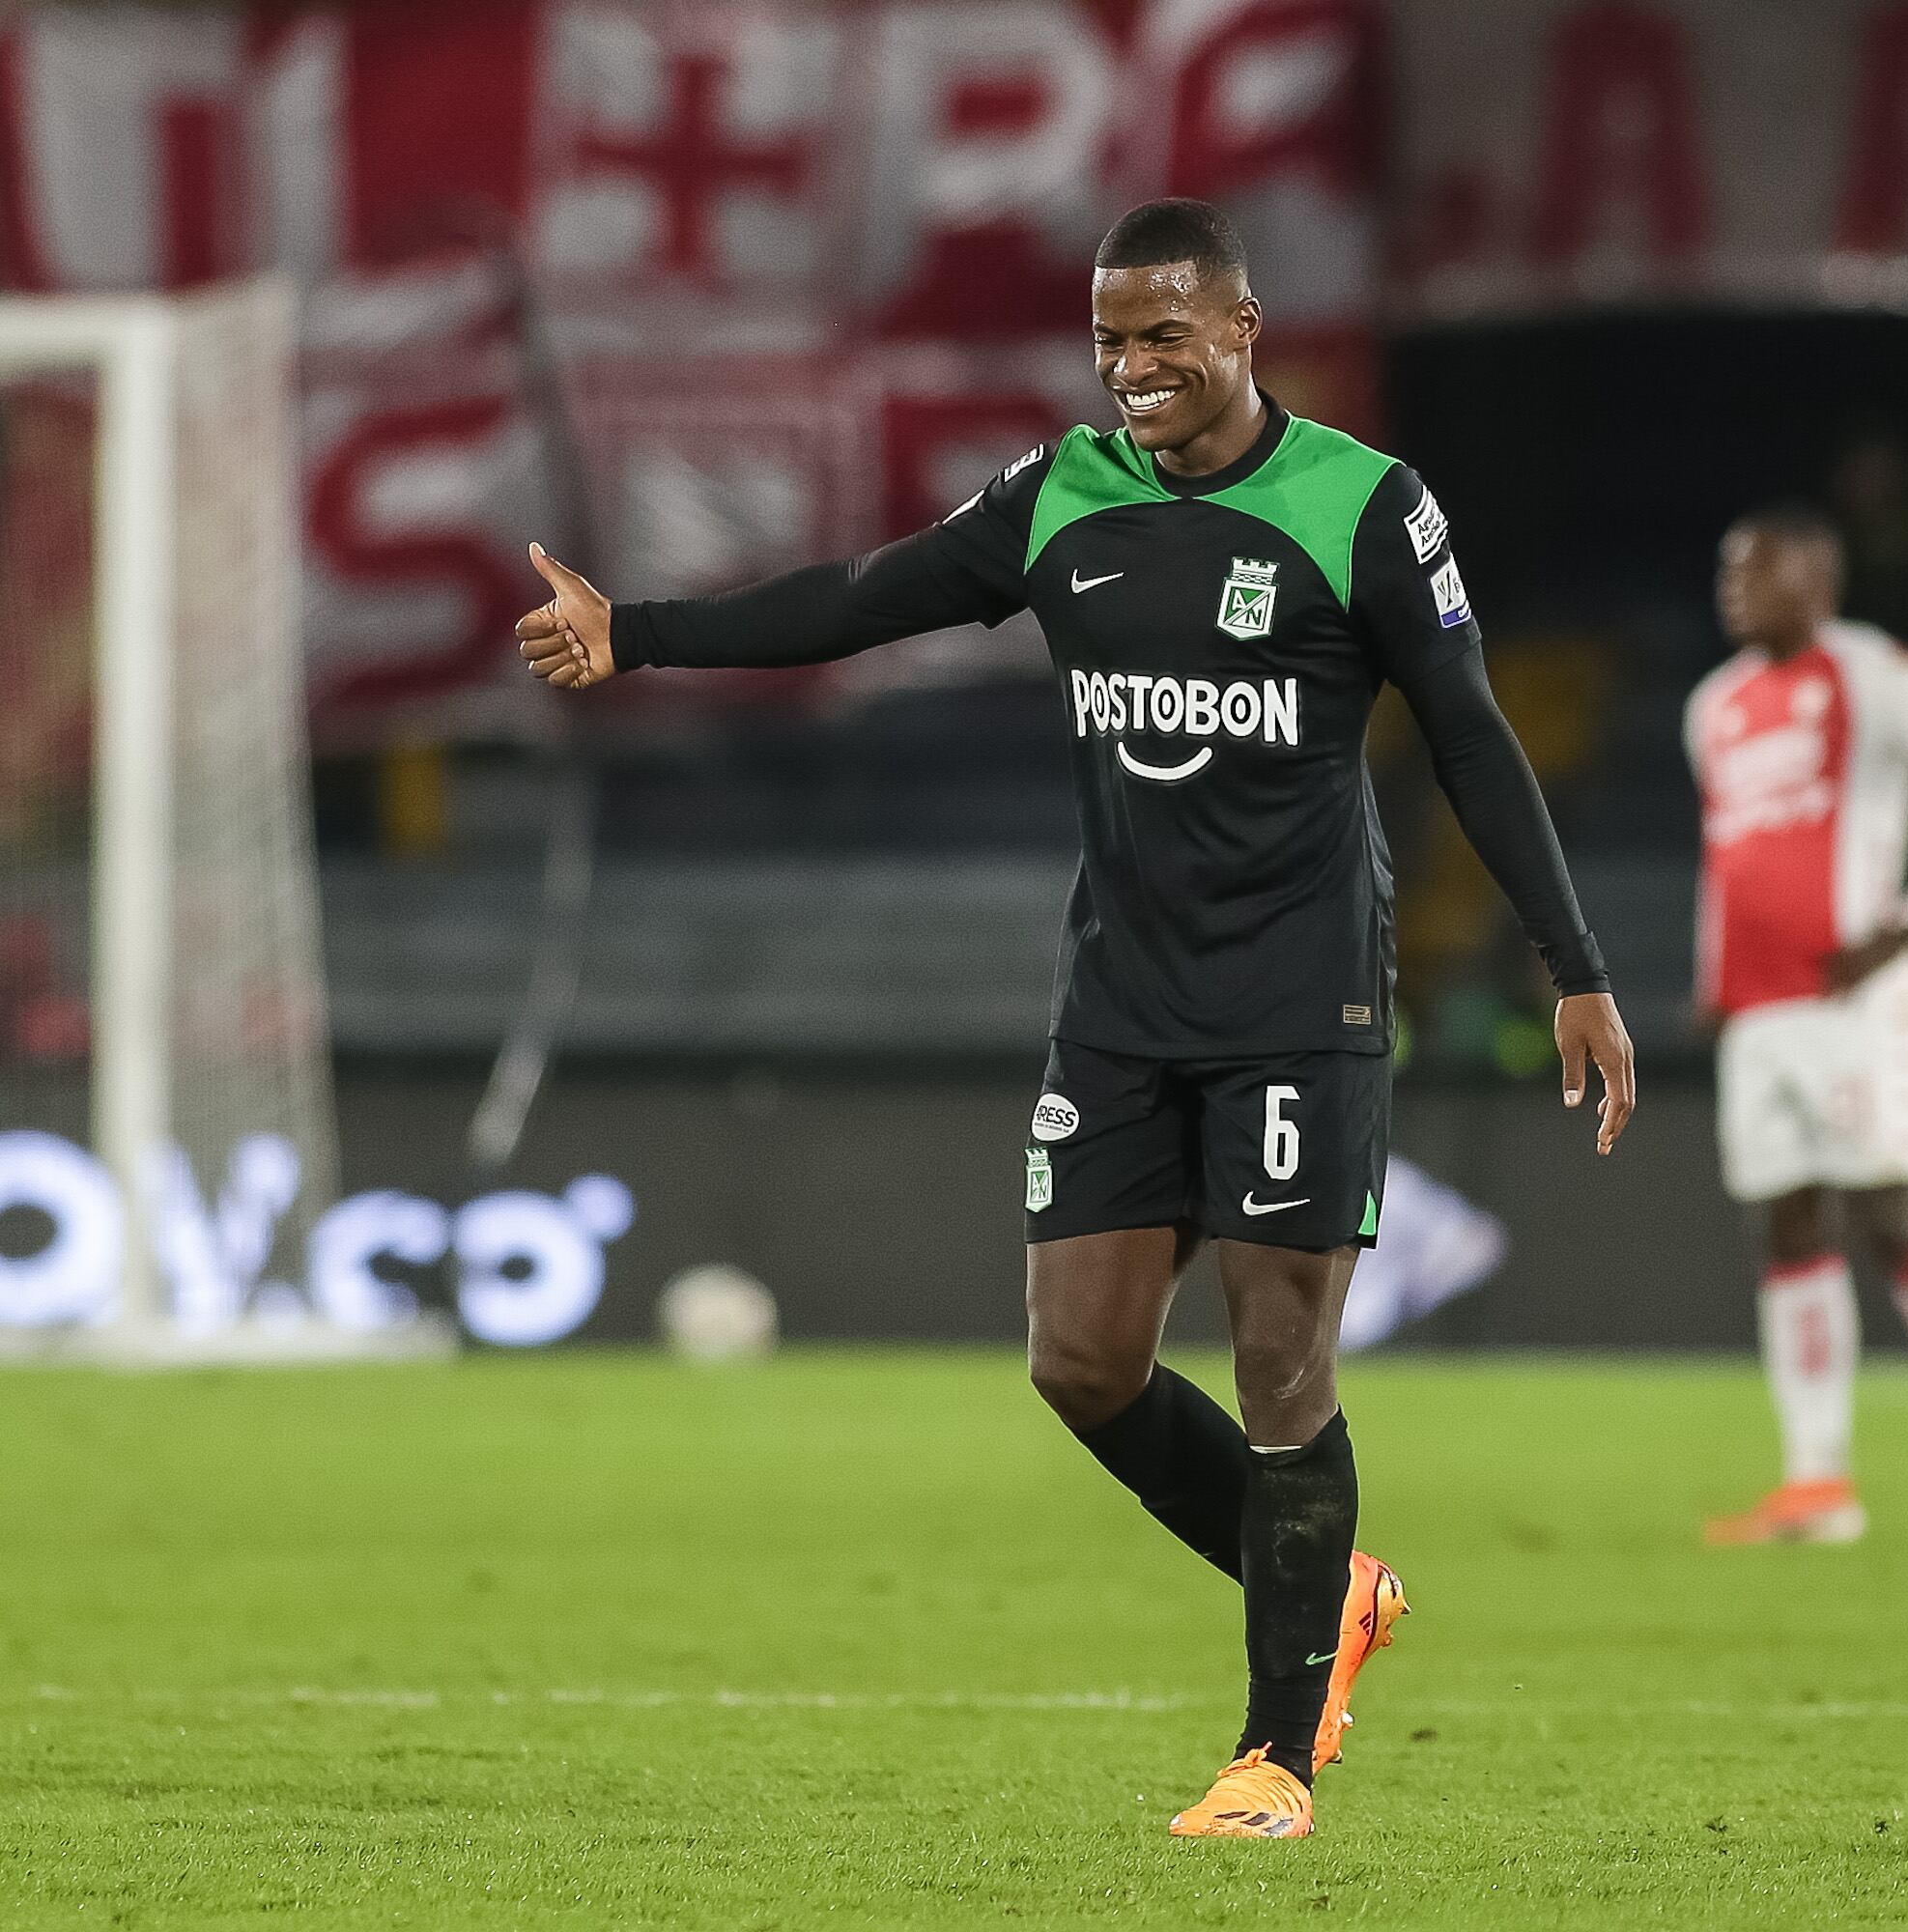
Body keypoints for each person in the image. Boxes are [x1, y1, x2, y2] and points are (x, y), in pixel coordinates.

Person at [516, 198, 1637, 1838]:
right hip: (1121, 997)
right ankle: (1336, 1589)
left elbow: (1467, 735)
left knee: (1279, 1361)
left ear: (1244, 333)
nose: (1134, 368)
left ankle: (1274, 1755)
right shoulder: (1065, 496)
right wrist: (639, 635)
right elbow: (863, 597)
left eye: (1165, 335)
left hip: (1298, 999)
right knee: (1082, 1361)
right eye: (1112, 339)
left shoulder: (1362, 509)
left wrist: (1575, 963)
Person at [1683, 504, 1908, 1548]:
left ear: (1816, 578)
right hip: (1758, 1010)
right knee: (1787, 1226)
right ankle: (1817, 1482)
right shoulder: (1713, 704)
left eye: (1754, 569)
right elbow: (1731, 850)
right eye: (1726, 569)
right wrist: (1716, 975)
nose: (1732, 587)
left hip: (1855, 998)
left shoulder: (1876, 673)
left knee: (1893, 1218)